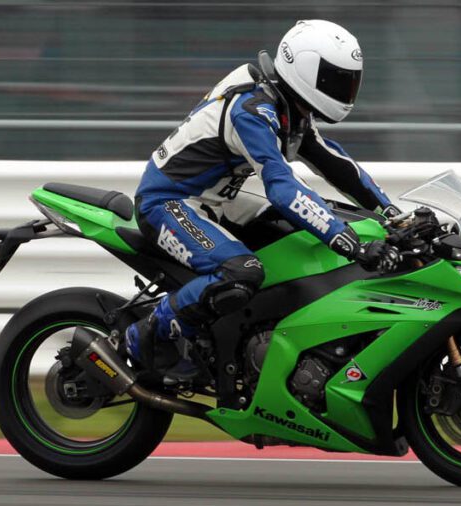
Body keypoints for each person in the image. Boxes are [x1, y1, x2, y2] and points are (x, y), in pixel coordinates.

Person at [126, 20, 403, 377]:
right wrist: (348, 242)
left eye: (350, 81)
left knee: (293, 237)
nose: (345, 90)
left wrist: (394, 215)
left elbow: (338, 167)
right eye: (335, 79)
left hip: (216, 202)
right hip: (168, 202)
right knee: (241, 272)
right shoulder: (252, 109)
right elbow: (283, 187)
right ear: (304, 69)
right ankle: (148, 334)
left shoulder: (288, 107)